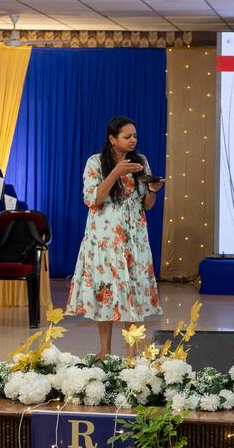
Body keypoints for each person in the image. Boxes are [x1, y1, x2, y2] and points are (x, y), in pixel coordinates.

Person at [67, 116, 163, 358]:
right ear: (112, 138)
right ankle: (104, 350)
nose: (133, 140)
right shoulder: (96, 162)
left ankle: (132, 352)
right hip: (105, 235)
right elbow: (93, 199)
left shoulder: (140, 161)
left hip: (134, 236)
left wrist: (152, 191)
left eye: (135, 136)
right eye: (127, 136)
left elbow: (147, 205)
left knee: (133, 289)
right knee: (106, 288)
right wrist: (115, 173)